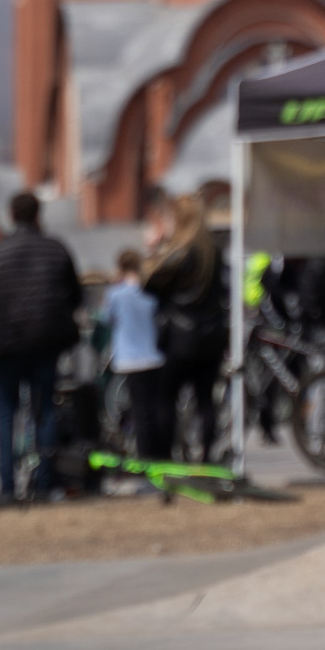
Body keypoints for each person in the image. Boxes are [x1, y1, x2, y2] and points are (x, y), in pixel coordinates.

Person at [0, 192, 82, 503]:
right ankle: (45, 482)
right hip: (46, 343)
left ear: (11, 215)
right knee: (44, 411)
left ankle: (7, 486)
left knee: (6, 415)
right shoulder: (56, 249)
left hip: (5, 344)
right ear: (37, 215)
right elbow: (75, 296)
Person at [141, 193, 226, 459]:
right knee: (205, 400)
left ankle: (167, 456)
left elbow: (149, 283)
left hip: (181, 336)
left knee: (166, 398)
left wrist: (155, 247)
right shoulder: (214, 250)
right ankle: (207, 456)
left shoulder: (179, 251)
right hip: (212, 336)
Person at [100, 248, 167, 459]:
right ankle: (162, 452)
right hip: (154, 356)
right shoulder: (149, 291)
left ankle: (146, 457)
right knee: (156, 408)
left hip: (129, 358)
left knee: (140, 412)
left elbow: (104, 319)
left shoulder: (115, 294)